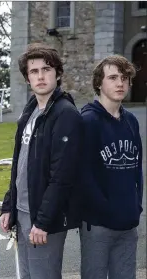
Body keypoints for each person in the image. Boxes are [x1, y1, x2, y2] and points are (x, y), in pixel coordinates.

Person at [0, 43, 83, 279]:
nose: (40, 76)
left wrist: (43, 222)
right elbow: (20, 165)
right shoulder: (31, 110)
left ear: (57, 73)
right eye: (34, 71)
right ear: (27, 78)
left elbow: (63, 176)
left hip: (44, 217)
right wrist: (9, 206)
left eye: (46, 69)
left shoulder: (65, 114)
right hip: (23, 212)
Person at [79, 55, 143, 279]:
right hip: (98, 225)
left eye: (125, 78)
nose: (120, 83)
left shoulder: (131, 121)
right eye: (113, 77)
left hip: (128, 223)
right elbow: (83, 175)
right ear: (99, 83)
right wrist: (104, 210)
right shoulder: (88, 121)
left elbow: (137, 169)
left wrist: (136, 205)